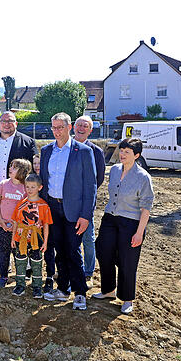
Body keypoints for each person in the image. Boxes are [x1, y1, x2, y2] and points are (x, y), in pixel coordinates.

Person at [40, 112, 97, 311]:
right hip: (52, 208)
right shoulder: (47, 151)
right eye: (54, 127)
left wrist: (86, 215)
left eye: (60, 127)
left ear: (69, 127)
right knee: (59, 250)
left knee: (73, 250)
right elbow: (44, 182)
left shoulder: (82, 151)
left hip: (74, 210)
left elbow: (90, 186)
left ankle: (80, 292)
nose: (57, 131)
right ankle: (63, 289)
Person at [93, 138, 154, 314]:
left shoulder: (143, 177)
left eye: (127, 152)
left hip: (131, 222)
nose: (122, 154)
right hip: (110, 219)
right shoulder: (114, 170)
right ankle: (108, 290)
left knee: (128, 260)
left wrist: (139, 233)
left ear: (137, 155)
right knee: (103, 251)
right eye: (122, 150)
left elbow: (146, 207)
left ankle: (127, 298)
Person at [0, 111, 38, 271]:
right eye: (3, 121)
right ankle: (3, 265)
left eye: (10, 121)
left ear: (16, 123)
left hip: (20, 196)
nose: (6, 124)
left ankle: (27, 265)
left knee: (23, 230)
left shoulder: (27, 142)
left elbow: (34, 170)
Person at [73, 115, 106, 286]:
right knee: (69, 238)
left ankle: (88, 271)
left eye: (85, 126)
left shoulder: (96, 152)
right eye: (79, 125)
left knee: (87, 238)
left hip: (85, 204)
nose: (81, 128)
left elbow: (98, 180)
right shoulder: (66, 147)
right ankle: (72, 268)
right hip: (67, 204)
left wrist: (85, 197)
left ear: (90, 130)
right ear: (73, 127)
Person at [0, 159, 31, 288]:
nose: (10, 168)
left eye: (14, 167)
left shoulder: (26, 188)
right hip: (2, 226)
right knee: (3, 251)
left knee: (19, 252)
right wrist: (1, 222)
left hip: (19, 228)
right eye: (10, 166)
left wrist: (18, 225)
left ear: (22, 172)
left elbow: (29, 208)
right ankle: (3, 276)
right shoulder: (2, 185)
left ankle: (20, 277)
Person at [10, 174, 53, 298]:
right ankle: (20, 285)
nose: (29, 189)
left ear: (40, 188)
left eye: (33, 187)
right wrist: (13, 238)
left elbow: (46, 225)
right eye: (27, 187)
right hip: (21, 237)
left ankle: (37, 287)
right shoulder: (20, 204)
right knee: (20, 261)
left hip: (36, 239)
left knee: (36, 262)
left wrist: (45, 242)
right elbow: (16, 222)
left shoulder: (44, 206)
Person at [32, 152, 55, 293]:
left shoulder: (48, 179)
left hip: (48, 219)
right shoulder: (31, 179)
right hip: (34, 221)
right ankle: (35, 275)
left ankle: (50, 276)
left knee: (49, 249)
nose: (37, 166)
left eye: (39, 163)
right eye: (34, 163)